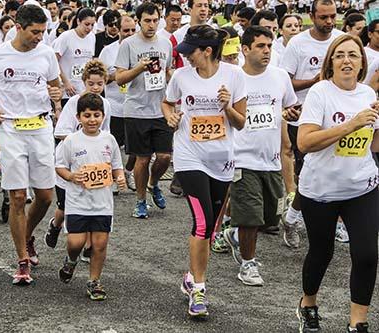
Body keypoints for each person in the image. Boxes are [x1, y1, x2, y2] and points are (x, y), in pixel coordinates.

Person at [296, 33, 379, 333]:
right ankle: (308, 304)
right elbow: (304, 142)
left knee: (368, 254)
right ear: (331, 61)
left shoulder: (368, 96)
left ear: (361, 63)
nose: (347, 60)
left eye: (353, 55)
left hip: (362, 187)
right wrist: (350, 125)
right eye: (340, 55)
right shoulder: (320, 93)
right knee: (322, 252)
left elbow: (373, 142)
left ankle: (358, 322)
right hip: (321, 190)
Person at [162, 24, 246, 317]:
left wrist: (226, 106)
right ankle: (199, 290)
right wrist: (171, 117)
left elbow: (241, 122)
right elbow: (167, 102)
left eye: (191, 52)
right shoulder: (182, 76)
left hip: (221, 160)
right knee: (202, 223)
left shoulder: (235, 76)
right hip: (189, 157)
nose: (186, 58)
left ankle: (190, 277)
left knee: (209, 229)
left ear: (208, 51)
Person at [0, 4, 62, 285]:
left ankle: (27, 236)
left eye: (43, 31)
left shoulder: (47, 53)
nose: (40, 36)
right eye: (35, 32)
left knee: (45, 196)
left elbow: (56, 85)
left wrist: (57, 96)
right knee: (17, 197)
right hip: (11, 128)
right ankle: (22, 260)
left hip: (40, 126)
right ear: (19, 27)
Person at [223, 26, 298, 286]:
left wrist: (291, 114)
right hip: (241, 157)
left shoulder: (279, 77)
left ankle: (235, 234)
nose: (267, 51)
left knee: (269, 218)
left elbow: (289, 106)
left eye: (269, 46)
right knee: (250, 217)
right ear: (245, 50)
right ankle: (247, 264)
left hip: (271, 159)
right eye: (260, 46)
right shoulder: (233, 78)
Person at [280, 0, 343, 248]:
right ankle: (293, 218)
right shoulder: (298, 43)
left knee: (338, 170)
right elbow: (286, 83)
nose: (329, 22)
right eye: (324, 17)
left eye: (333, 17)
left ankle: (335, 222)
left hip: (336, 117)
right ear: (311, 15)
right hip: (304, 118)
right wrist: (315, 81)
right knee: (309, 174)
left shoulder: (341, 40)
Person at [56, 92, 125, 301]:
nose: (92, 120)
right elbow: (59, 166)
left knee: (100, 244)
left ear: (103, 116)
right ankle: (71, 260)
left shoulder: (109, 140)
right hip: (78, 201)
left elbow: (117, 166)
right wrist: (71, 176)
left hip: (103, 203)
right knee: (76, 243)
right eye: (87, 115)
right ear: (78, 118)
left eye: (96, 115)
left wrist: (120, 178)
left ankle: (94, 281)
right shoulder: (71, 141)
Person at [47, 59, 112, 260]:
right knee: (64, 206)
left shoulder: (106, 105)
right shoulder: (74, 103)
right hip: (73, 165)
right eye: (91, 84)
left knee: (93, 207)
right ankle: (55, 225)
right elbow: (60, 132)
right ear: (84, 81)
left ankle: (89, 247)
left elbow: (106, 134)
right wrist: (80, 142)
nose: (95, 88)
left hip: (94, 167)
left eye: (99, 84)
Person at [115, 2, 173, 219]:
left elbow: (167, 72)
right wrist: (139, 67)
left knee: (165, 157)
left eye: (155, 20)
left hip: (161, 108)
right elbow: (119, 78)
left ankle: (154, 183)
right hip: (136, 109)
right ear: (139, 21)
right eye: (147, 21)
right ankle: (140, 201)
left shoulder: (166, 44)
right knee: (142, 159)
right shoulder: (128, 45)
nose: (151, 25)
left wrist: (174, 80)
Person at [98, 14, 136, 191]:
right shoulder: (108, 51)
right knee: (111, 146)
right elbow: (101, 78)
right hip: (115, 107)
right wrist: (117, 76)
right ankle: (113, 178)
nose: (129, 34)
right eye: (125, 30)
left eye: (133, 30)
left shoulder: (141, 48)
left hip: (136, 106)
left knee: (136, 149)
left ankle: (129, 171)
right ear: (118, 30)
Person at [54, 8, 96, 102]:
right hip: (68, 91)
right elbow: (54, 61)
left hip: (84, 90)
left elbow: (89, 61)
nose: (89, 28)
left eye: (92, 25)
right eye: (86, 24)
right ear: (78, 21)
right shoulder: (66, 37)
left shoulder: (92, 37)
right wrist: (66, 82)